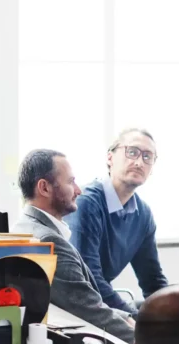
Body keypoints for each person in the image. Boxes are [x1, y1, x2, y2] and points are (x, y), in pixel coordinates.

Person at [15, 148, 135, 344]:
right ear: (44, 188)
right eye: (71, 182)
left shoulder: (25, 227)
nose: (78, 190)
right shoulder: (49, 242)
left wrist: (126, 317)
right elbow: (89, 311)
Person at [65, 128, 167, 315]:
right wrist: (135, 318)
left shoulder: (143, 215)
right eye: (132, 152)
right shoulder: (86, 203)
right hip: (71, 307)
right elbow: (90, 279)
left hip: (99, 304)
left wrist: (177, 314)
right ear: (110, 158)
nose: (139, 162)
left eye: (147, 157)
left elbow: (152, 280)